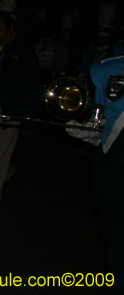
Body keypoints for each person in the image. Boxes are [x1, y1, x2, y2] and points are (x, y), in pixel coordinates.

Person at [66, 55, 124, 281]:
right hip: (111, 167)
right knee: (112, 233)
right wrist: (89, 131)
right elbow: (102, 122)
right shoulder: (109, 68)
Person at [0, 8, 39, 204]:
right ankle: (6, 172)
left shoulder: (23, 52)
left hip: (8, 108)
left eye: (1, 30)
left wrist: (28, 121)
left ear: (11, 29)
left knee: (1, 153)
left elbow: (30, 88)